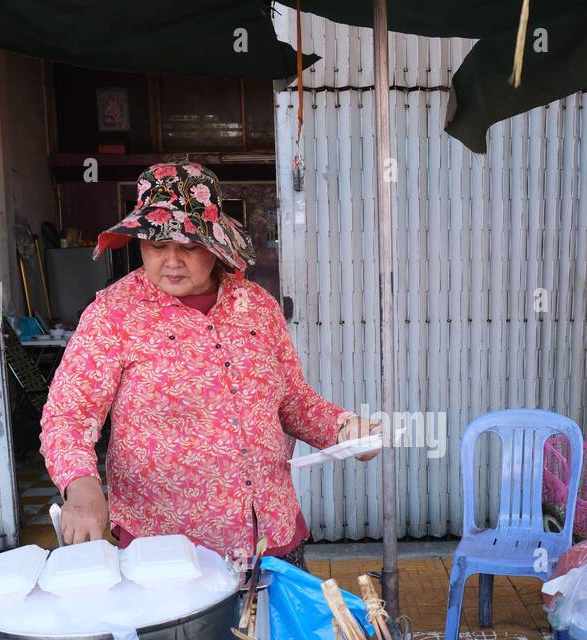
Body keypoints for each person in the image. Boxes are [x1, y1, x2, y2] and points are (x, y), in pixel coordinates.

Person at [40, 162, 376, 568]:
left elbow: (291, 400)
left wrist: (343, 429)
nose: (172, 261)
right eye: (157, 246)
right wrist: (82, 488)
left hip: (268, 531)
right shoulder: (114, 315)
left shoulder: (256, 307)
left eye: (189, 245)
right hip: (168, 549)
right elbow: (69, 416)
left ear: (216, 245)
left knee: (272, 633)